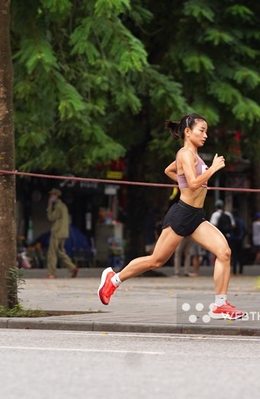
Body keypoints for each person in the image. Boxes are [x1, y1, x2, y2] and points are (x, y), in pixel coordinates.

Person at [97, 113, 246, 320]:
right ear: (187, 131)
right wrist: (211, 170)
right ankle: (113, 280)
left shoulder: (194, 156)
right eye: (201, 131)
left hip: (196, 216)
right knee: (156, 261)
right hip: (182, 214)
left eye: (206, 132)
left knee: (224, 252)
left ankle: (219, 305)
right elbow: (194, 183)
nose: (205, 136)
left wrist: (183, 182)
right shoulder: (185, 154)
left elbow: (169, 170)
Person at [46, 188, 79, 279]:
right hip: (64, 232)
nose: (51, 197)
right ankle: (72, 267)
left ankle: (51, 273)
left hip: (57, 232)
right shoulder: (64, 206)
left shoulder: (58, 206)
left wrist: (49, 205)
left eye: (52, 195)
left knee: (52, 253)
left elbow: (51, 217)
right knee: (60, 251)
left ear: (56, 195)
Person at [230, 209, 247, 275]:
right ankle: (240, 271)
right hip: (240, 240)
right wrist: (242, 237)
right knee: (240, 256)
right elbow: (245, 231)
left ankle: (234, 271)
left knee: (234, 255)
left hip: (233, 240)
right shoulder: (241, 221)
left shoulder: (232, 221)